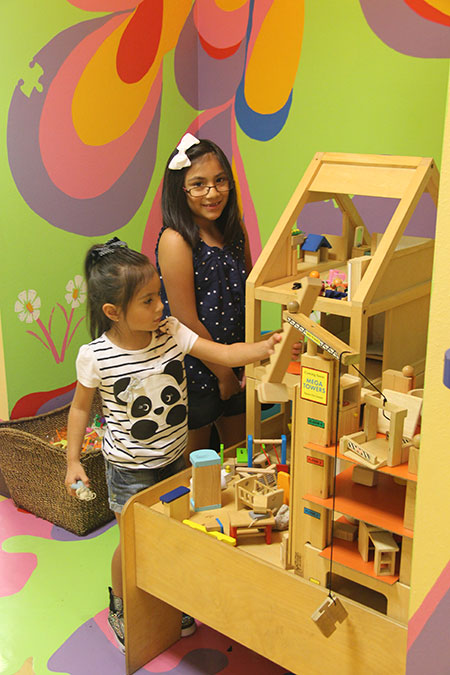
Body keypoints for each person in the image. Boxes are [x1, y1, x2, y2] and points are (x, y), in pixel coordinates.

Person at [64, 238, 282, 654]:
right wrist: (73, 459)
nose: (160, 306)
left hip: (173, 459)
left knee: (173, 533)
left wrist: (262, 348)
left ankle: (170, 596)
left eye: (158, 295)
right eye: (148, 301)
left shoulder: (170, 332)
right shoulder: (96, 356)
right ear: (113, 312)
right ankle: (122, 604)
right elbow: (79, 410)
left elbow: (223, 351)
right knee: (133, 542)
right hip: (130, 469)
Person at [156, 133, 254, 459]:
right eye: (198, 184)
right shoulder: (176, 240)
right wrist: (223, 373)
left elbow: (249, 294)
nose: (212, 193)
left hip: (236, 362)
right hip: (196, 369)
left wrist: (247, 360)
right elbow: (185, 320)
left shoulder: (234, 230)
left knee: (239, 454)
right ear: (180, 190)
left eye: (220, 181)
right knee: (196, 467)